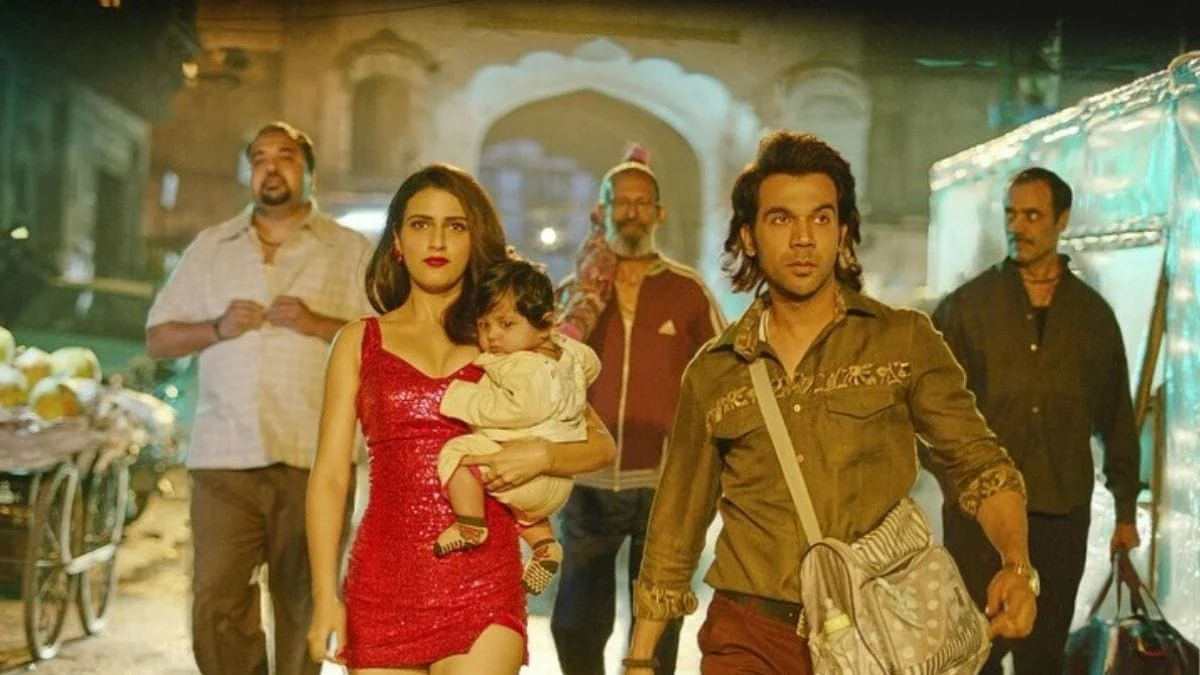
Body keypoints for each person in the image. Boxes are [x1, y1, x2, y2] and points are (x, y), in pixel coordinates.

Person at [623, 131, 1039, 674]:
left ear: (842, 232)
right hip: (749, 633)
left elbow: (979, 463)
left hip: (874, 634)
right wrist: (639, 657)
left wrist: (1017, 564)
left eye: (820, 218)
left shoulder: (901, 341)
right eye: (781, 219)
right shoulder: (715, 372)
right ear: (748, 236)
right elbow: (676, 524)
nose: (803, 239)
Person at [304, 164, 616, 674]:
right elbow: (331, 477)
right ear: (397, 241)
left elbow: (601, 446)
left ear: (475, 239)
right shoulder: (358, 342)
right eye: (420, 224)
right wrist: (323, 597)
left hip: (484, 582)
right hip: (382, 583)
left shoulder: (506, 337)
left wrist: (540, 455)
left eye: (455, 226)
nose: (437, 241)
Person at [145, 121, 374, 675]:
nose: (271, 168)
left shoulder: (349, 249)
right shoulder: (212, 246)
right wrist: (216, 328)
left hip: (314, 458)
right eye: (259, 158)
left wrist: (319, 324)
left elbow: (389, 342)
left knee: (303, 599)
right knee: (217, 597)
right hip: (225, 455)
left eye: (286, 156)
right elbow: (159, 337)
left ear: (310, 172)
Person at [929, 166, 1141, 675]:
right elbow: (927, 411)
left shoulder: (1092, 317)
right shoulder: (967, 308)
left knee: (1043, 658)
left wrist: (1126, 511)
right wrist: (956, 485)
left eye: (1032, 215)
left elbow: (1116, 415)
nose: (1017, 227)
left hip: (1060, 516)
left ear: (1062, 220)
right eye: (1011, 215)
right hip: (979, 522)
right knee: (973, 653)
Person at [551, 145, 725, 675]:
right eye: (620, 202)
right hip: (587, 481)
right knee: (575, 623)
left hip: (663, 483)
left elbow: (721, 380)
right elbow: (540, 375)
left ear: (659, 213)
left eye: (642, 201)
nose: (632, 212)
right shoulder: (573, 295)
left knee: (657, 624)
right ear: (600, 211)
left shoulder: (686, 291)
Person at [434, 258, 602, 597]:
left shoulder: (521, 365)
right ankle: (544, 545)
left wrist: (461, 398)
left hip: (527, 474)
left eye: (506, 324)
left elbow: (517, 409)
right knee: (524, 513)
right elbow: (592, 365)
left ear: (545, 324)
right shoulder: (567, 354)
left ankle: (470, 525)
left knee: (458, 455)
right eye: (483, 325)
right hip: (558, 482)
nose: (492, 335)